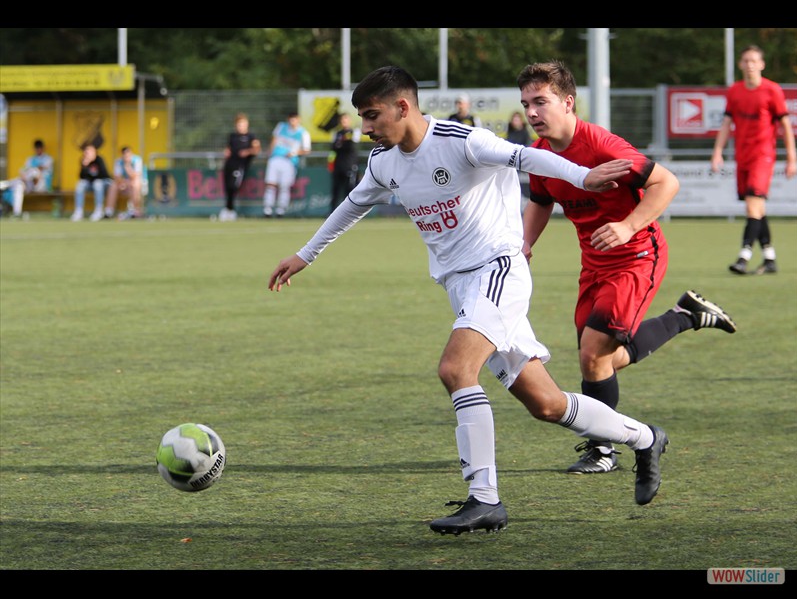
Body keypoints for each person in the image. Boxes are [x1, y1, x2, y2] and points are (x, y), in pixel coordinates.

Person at [268, 65, 670, 536]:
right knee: (546, 404)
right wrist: (305, 255)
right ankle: (645, 437)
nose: (366, 127)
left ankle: (485, 499)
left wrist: (585, 176)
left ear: (403, 107)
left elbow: (525, 157)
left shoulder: (462, 141)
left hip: (497, 271)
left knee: (456, 370)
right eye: (362, 117)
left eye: (372, 115)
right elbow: (352, 206)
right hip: (461, 287)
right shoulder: (384, 163)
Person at [517, 61, 737, 475]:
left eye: (540, 102)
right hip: (593, 263)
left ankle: (603, 451)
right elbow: (541, 202)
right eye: (526, 103)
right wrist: (525, 243)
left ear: (568, 102)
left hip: (637, 256)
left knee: (592, 353)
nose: (531, 112)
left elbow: (666, 182)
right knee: (600, 360)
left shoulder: (603, 146)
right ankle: (685, 315)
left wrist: (628, 226)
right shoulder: (540, 155)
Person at [710, 45, 797, 276]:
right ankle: (769, 258)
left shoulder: (772, 90)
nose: (750, 65)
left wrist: (791, 157)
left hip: (763, 155)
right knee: (757, 208)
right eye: (746, 61)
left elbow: (786, 124)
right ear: (740, 64)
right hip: (743, 156)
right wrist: (717, 151)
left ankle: (744, 256)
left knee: (752, 204)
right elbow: (727, 123)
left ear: (761, 64)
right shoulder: (735, 91)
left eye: (754, 61)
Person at [262, 112, 311, 218]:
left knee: (284, 186)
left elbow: (306, 150)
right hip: (275, 158)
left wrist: (294, 153)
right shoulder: (281, 127)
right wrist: (269, 155)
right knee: (271, 184)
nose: (292, 122)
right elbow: (274, 140)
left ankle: (281, 210)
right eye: (291, 119)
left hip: (289, 162)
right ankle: (267, 209)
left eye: (295, 119)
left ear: (298, 120)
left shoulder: (303, 133)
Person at [220, 112, 261, 222]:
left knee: (233, 186)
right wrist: (226, 152)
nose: (241, 127)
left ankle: (230, 210)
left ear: (247, 124)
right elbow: (228, 148)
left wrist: (247, 152)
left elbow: (257, 150)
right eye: (239, 124)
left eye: (243, 124)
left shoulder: (251, 137)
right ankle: (228, 210)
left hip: (240, 166)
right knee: (228, 188)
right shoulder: (232, 136)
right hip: (229, 164)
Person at [1, 139, 54, 218]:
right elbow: (23, 170)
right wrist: (24, 174)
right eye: (36, 148)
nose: (38, 150)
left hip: (42, 185)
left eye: (39, 148)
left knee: (34, 171)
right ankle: (17, 213)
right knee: (19, 186)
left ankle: (6, 183)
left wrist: (27, 173)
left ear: (43, 148)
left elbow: (40, 168)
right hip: (29, 184)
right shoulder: (30, 159)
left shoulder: (48, 159)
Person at [328, 113, 361, 214]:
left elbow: (351, 147)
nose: (344, 121)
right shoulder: (336, 133)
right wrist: (343, 143)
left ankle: (349, 212)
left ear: (349, 120)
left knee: (349, 189)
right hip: (338, 165)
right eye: (342, 120)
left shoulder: (354, 132)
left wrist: (342, 144)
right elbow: (334, 148)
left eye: (346, 119)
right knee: (336, 190)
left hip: (350, 165)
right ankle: (332, 212)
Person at [104, 146, 147, 220]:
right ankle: (109, 211)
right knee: (113, 185)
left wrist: (127, 166)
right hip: (125, 184)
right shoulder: (118, 161)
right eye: (124, 154)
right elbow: (117, 177)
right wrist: (122, 183)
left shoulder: (137, 160)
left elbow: (135, 176)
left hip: (138, 184)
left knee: (135, 184)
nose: (126, 156)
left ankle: (135, 211)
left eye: (128, 154)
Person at [71, 144, 111, 222]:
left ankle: (99, 210)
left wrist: (92, 178)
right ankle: (78, 212)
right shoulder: (83, 160)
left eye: (89, 152)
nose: (87, 154)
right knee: (80, 184)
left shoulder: (99, 160)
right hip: (91, 184)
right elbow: (81, 176)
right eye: (86, 152)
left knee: (97, 183)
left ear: (94, 152)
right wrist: (85, 166)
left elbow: (104, 174)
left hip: (104, 183)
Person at [506, 111, 534, 200]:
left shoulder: (525, 133)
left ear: (521, 121)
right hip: (511, 164)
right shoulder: (510, 133)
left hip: (521, 166)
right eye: (514, 120)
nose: (515, 122)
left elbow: (527, 148)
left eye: (517, 120)